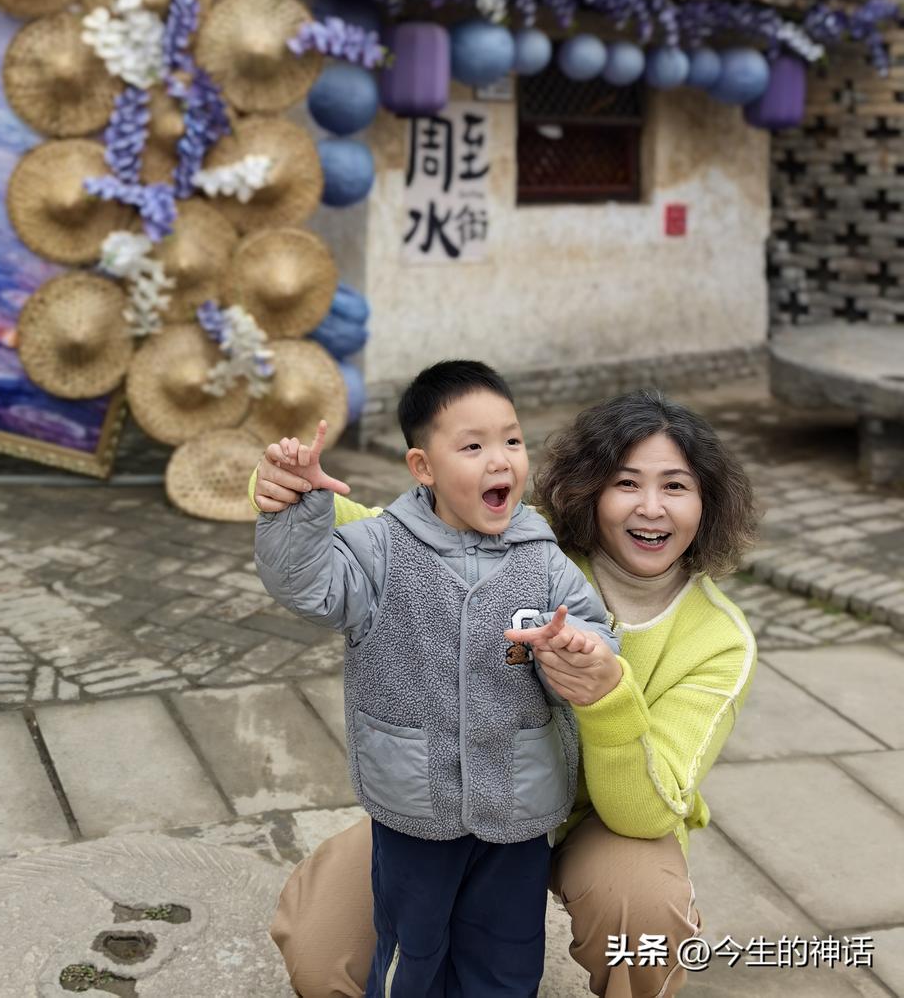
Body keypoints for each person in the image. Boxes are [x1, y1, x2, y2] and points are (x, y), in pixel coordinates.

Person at [253, 386, 760, 998]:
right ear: (591, 489)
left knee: (644, 911)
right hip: (454, 797)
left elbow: (643, 814)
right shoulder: (527, 545)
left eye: (675, 487)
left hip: (599, 826)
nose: (650, 507)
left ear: (708, 503)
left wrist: (605, 698)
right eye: (627, 483)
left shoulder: (719, 639)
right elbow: (381, 532)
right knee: (324, 952)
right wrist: (288, 489)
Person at [255, 360, 619, 998]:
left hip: (519, 804)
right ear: (423, 467)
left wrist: (581, 650)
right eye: (473, 446)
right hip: (415, 805)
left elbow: (593, 627)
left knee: (507, 957)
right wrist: (300, 509)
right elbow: (309, 586)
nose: (500, 460)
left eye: (511, 440)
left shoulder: (543, 557)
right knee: (413, 952)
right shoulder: (379, 550)